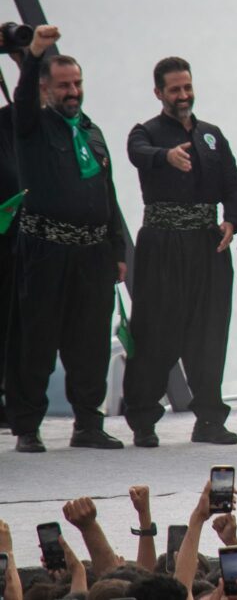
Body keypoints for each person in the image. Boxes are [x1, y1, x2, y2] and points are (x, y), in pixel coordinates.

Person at [7, 25, 126, 452]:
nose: (73, 91)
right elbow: (21, 101)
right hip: (46, 249)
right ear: (45, 89)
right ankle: (27, 427)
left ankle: (88, 423)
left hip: (93, 251)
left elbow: (107, 193)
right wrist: (35, 52)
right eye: (64, 85)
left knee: (91, 340)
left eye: (77, 83)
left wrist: (118, 248)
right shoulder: (33, 127)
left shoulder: (91, 133)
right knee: (37, 338)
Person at [122, 56, 237, 448]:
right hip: (163, 243)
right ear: (159, 93)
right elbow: (137, 153)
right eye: (174, 89)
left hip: (207, 245)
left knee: (210, 333)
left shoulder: (211, 134)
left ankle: (209, 418)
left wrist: (232, 221)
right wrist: (166, 157)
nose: (183, 95)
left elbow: (235, 185)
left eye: (187, 87)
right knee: (156, 331)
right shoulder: (146, 133)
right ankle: (143, 419)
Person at [0, 41, 25, 431]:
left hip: (12, 238)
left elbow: (29, 107)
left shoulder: (10, 121)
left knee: (13, 321)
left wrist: (27, 59)